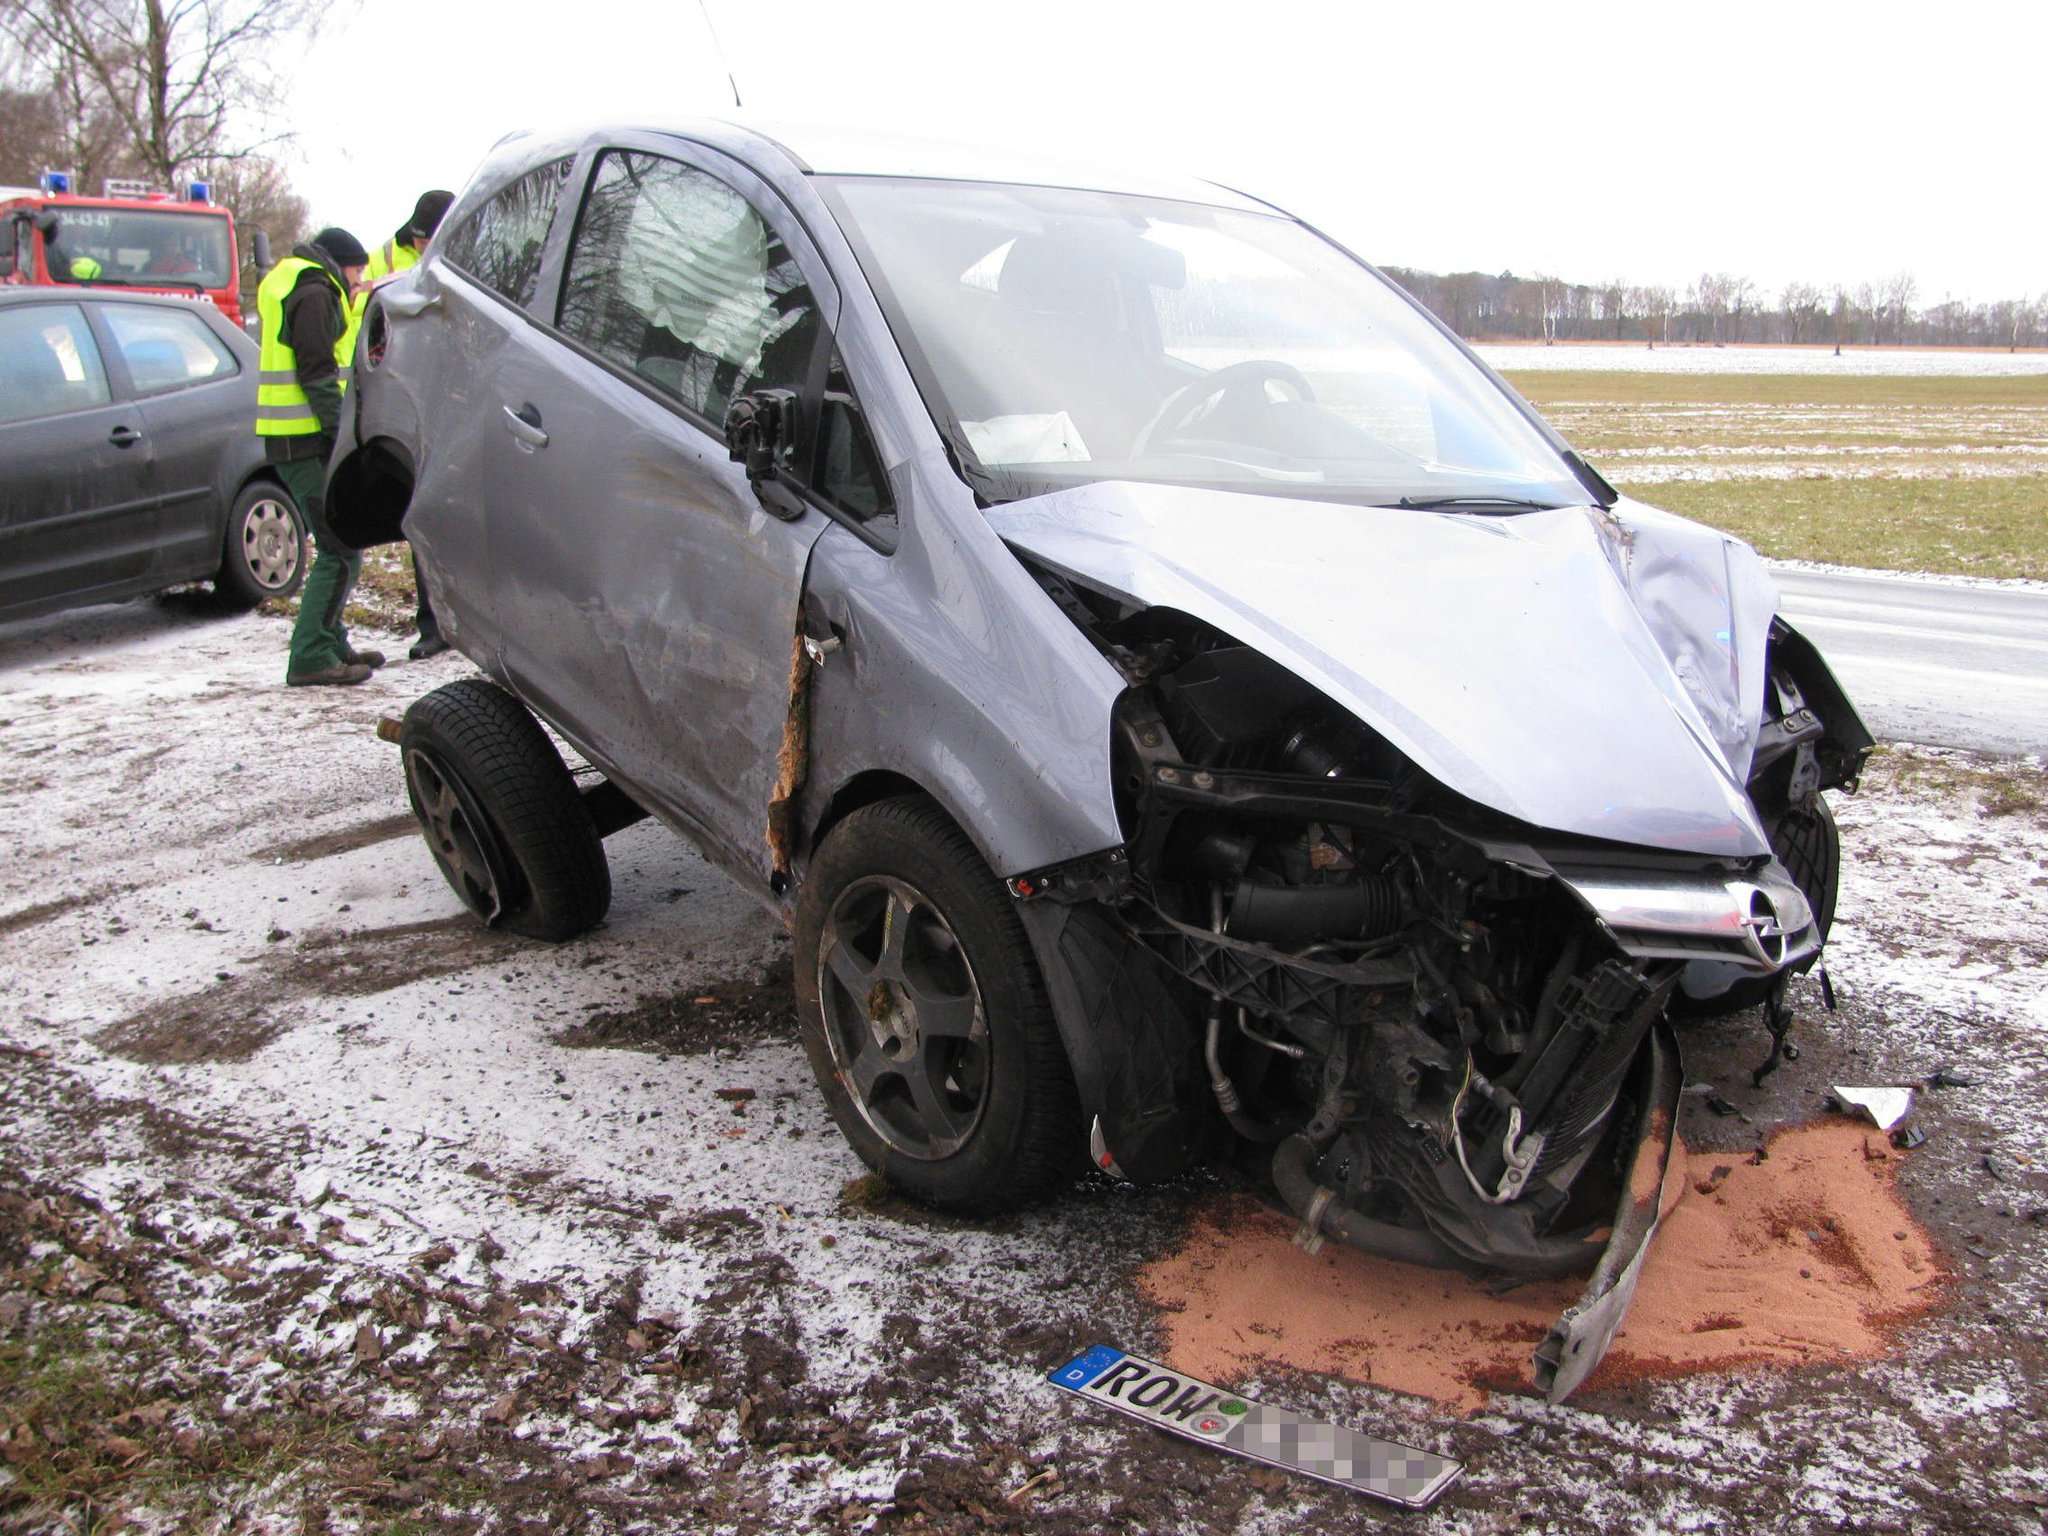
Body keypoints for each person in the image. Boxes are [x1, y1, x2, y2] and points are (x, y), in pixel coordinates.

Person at [255, 226, 378, 686]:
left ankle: (330, 641)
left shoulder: (294, 282)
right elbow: (318, 373)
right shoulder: (313, 293)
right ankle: (310, 654)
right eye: (357, 270)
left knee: (345, 543)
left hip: (294, 438)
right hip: (305, 441)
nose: (360, 279)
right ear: (339, 264)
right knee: (337, 547)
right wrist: (340, 434)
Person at [356, 189, 456, 659]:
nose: (423, 248)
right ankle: (433, 623)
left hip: (452, 402)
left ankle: (459, 617)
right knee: (424, 517)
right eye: (421, 240)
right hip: (408, 403)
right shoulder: (384, 262)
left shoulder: (469, 253)